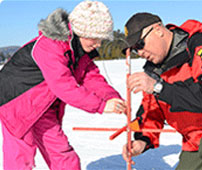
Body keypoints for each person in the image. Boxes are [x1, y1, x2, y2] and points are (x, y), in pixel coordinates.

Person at [0, 1, 126, 170]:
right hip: (15, 104)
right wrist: (101, 106)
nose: (99, 44)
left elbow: (92, 79)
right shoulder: (49, 46)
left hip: (43, 107)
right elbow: (64, 86)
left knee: (63, 155)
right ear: (82, 32)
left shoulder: (80, 53)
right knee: (21, 159)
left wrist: (112, 97)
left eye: (102, 39)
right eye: (96, 38)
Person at [121, 12, 202, 170]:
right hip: (197, 139)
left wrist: (159, 87)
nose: (140, 53)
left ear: (158, 30)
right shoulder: (153, 70)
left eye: (140, 44)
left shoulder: (201, 47)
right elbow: (151, 112)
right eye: (135, 50)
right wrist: (143, 140)